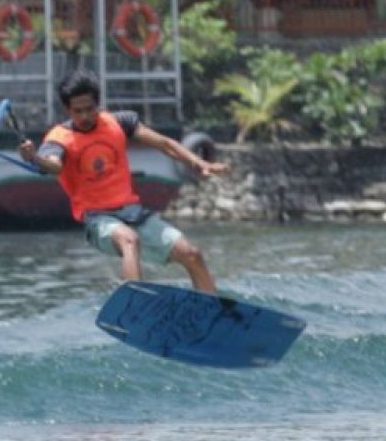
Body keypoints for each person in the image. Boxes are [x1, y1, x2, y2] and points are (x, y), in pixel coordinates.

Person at [19, 69, 229, 293]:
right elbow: (54, 165)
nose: (84, 117)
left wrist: (199, 163)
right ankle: (137, 303)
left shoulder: (119, 122)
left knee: (192, 254)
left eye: (90, 109)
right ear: (67, 109)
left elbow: (164, 144)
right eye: (77, 111)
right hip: (97, 219)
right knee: (129, 239)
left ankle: (213, 311)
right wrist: (34, 157)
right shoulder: (59, 138)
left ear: (98, 104)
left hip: (133, 212)